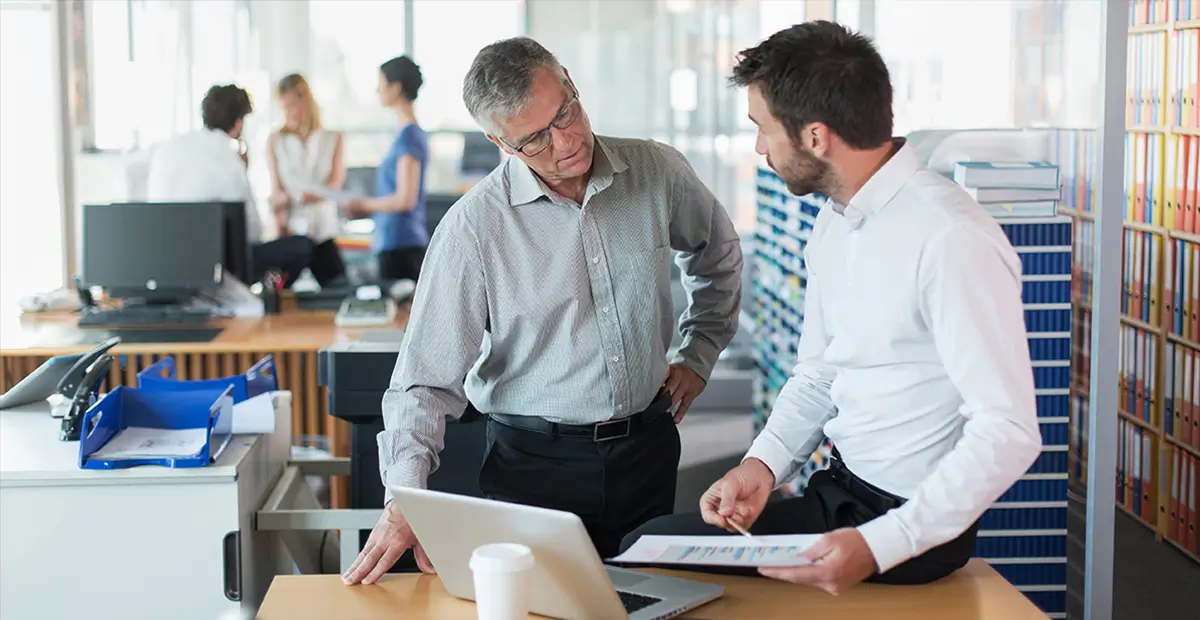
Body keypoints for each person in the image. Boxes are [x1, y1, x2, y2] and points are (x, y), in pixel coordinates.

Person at [618, 21, 1042, 594]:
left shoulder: (951, 237)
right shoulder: (835, 219)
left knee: (650, 560)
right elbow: (820, 373)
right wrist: (761, 466)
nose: (759, 148)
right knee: (645, 546)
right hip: (840, 491)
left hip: (909, 528)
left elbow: (1010, 430)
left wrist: (880, 545)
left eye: (764, 130)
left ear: (815, 137)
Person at [341, 37, 744, 586]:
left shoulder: (657, 171)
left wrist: (698, 353)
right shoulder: (474, 228)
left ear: (571, 82)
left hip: (646, 449)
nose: (569, 141)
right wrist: (405, 498)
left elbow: (717, 256)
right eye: (536, 139)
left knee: (653, 600)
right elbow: (423, 383)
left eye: (567, 112)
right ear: (499, 142)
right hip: (534, 467)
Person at [146, 84, 314, 287]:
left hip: (165, 260)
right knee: (303, 246)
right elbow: (252, 233)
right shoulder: (230, 163)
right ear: (238, 123)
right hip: (219, 265)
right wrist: (245, 169)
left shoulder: (168, 149)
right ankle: (272, 294)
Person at [341, 56, 429, 286]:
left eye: (380, 84)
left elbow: (405, 199)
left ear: (396, 87)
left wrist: (364, 204)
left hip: (402, 245)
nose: (376, 90)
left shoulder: (410, 135)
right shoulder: (403, 134)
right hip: (392, 241)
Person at [265, 73, 347, 287]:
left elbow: (334, 187)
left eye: (292, 104)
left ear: (306, 101)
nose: (289, 112)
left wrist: (293, 198)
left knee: (338, 288)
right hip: (292, 234)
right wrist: (280, 227)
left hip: (323, 231)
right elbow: (277, 191)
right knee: (280, 296)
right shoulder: (275, 141)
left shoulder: (333, 138)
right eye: (284, 106)